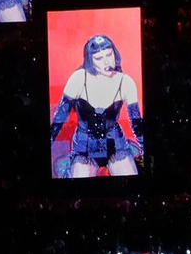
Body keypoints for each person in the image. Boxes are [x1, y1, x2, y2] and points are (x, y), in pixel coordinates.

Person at [50, 34, 143, 177]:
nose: (107, 61)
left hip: (116, 144)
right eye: (99, 58)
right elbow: (60, 117)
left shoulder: (125, 82)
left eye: (109, 54)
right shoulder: (79, 78)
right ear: (90, 61)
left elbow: (136, 122)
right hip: (84, 146)